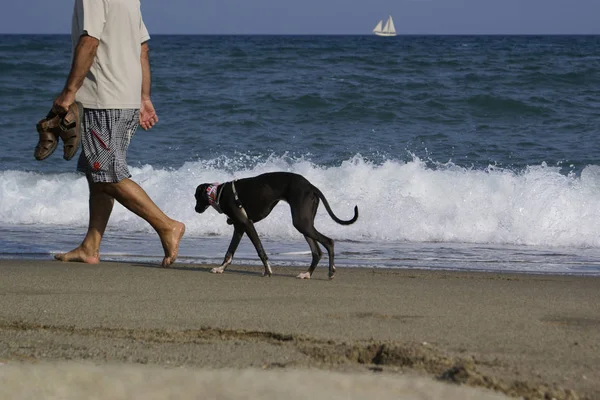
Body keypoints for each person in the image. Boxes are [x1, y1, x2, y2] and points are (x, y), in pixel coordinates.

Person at [52, 0, 185, 267]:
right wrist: (144, 97)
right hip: (125, 98)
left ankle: (167, 225)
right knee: (96, 171)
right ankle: (90, 246)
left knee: (108, 172)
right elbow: (142, 49)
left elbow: (89, 41)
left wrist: (68, 93)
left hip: (104, 98)